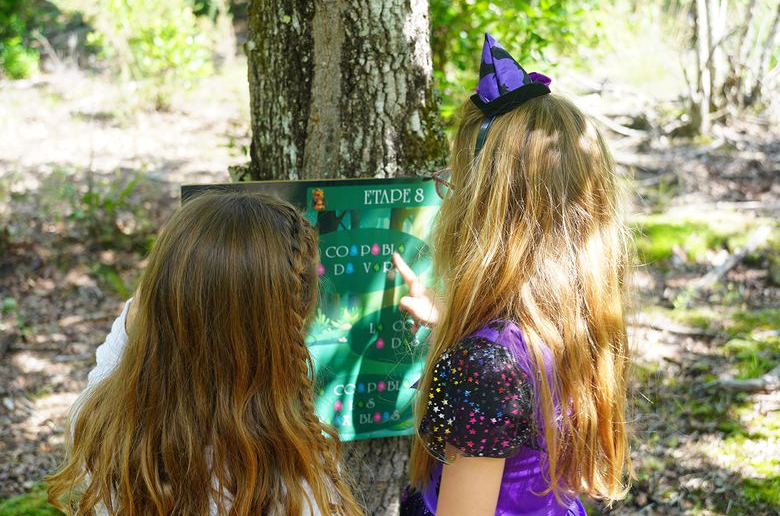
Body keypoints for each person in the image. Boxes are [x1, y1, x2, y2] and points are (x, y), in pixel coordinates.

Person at [396, 33, 632, 516]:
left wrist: (472, 351)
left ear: (483, 214)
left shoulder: (483, 369)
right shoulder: (571, 321)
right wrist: (452, 324)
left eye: (455, 184)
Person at [46, 192, 363, 516]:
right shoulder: (295, 488)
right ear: (290, 327)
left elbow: (109, 363)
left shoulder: (98, 433)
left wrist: (164, 290)